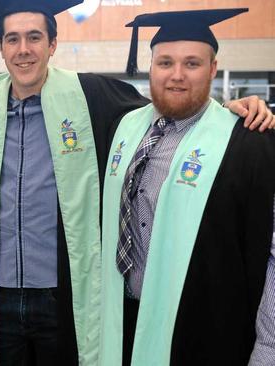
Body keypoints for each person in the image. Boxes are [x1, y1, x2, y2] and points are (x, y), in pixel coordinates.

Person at [0, 1, 275, 365]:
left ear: (52, 44)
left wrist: (238, 105)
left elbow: (177, 106)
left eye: (34, 37)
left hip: (63, 298)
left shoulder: (93, 97)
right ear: (1, 47)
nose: (23, 49)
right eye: (12, 39)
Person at [99, 8, 275, 365]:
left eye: (192, 64)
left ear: (212, 69)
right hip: (119, 321)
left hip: (203, 332)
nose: (176, 76)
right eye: (165, 62)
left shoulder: (248, 141)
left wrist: (267, 349)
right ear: (150, 67)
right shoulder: (123, 126)